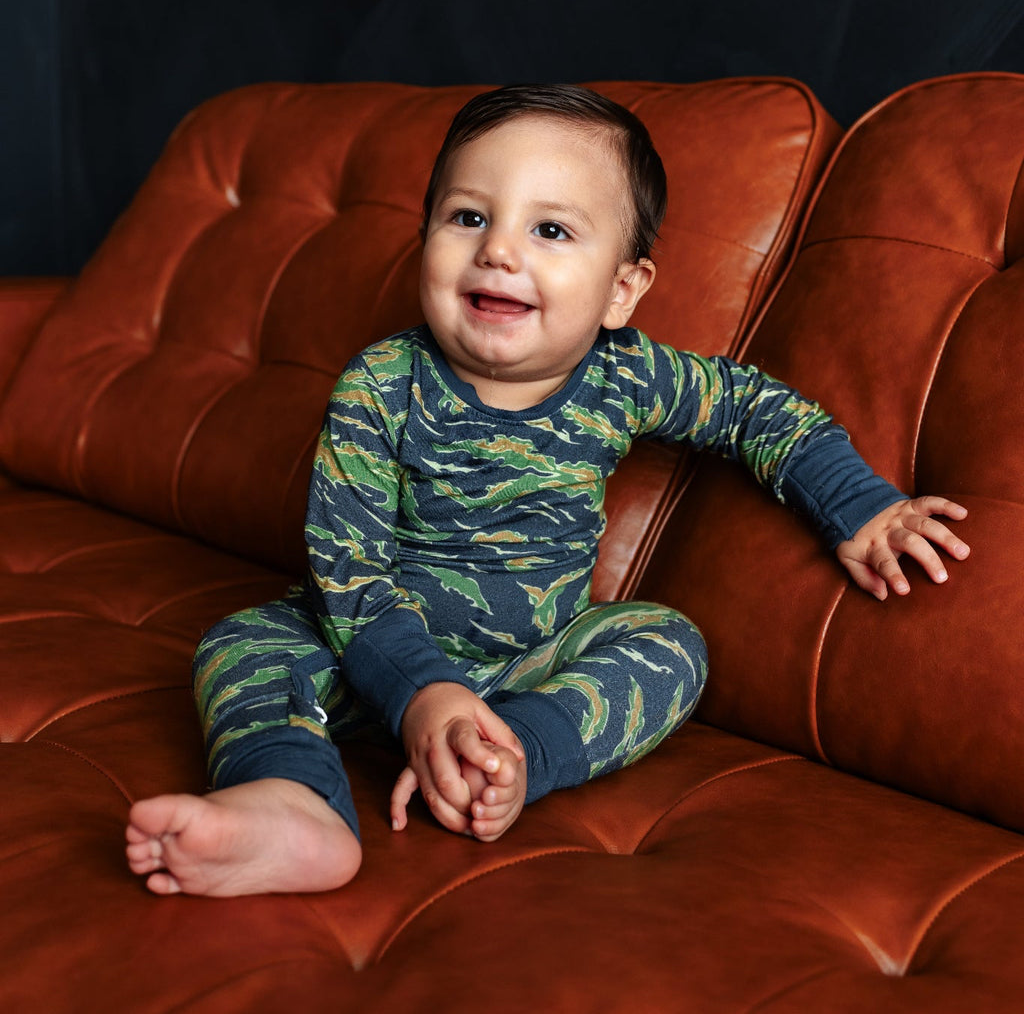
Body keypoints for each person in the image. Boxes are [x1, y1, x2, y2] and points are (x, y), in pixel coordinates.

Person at [125, 84, 970, 897]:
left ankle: (513, 758)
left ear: (620, 291)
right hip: (369, 654)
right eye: (468, 217)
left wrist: (860, 507)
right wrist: (423, 693)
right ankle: (292, 800)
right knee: (243, 644)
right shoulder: (382, 384)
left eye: (551, 229)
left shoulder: (627, 376)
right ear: (425, 238)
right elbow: (348, 576)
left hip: (533, 663)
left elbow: (752, 407)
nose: (498, 250)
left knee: (670, 643)